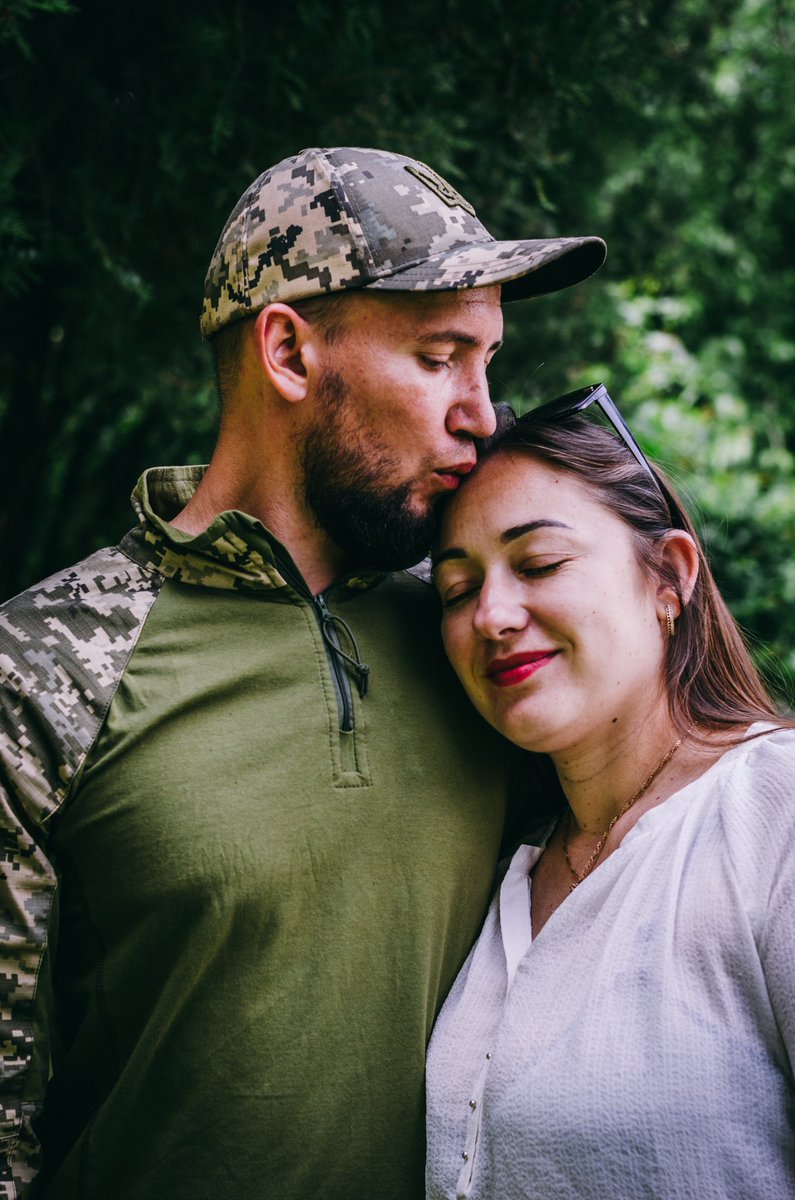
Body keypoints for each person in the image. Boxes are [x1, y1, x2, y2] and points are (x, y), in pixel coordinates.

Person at [0, 148, 605, 1199]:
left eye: (490, 361)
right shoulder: (42, 667)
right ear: (288, 353)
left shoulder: (483, 641)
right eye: (440, 358)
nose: (483, 414)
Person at [426, 384, 795, 1200]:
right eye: (455, 590)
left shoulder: (772, 815)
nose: (490, 615)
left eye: (539, 563)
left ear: (668, 577)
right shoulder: (502, 864)